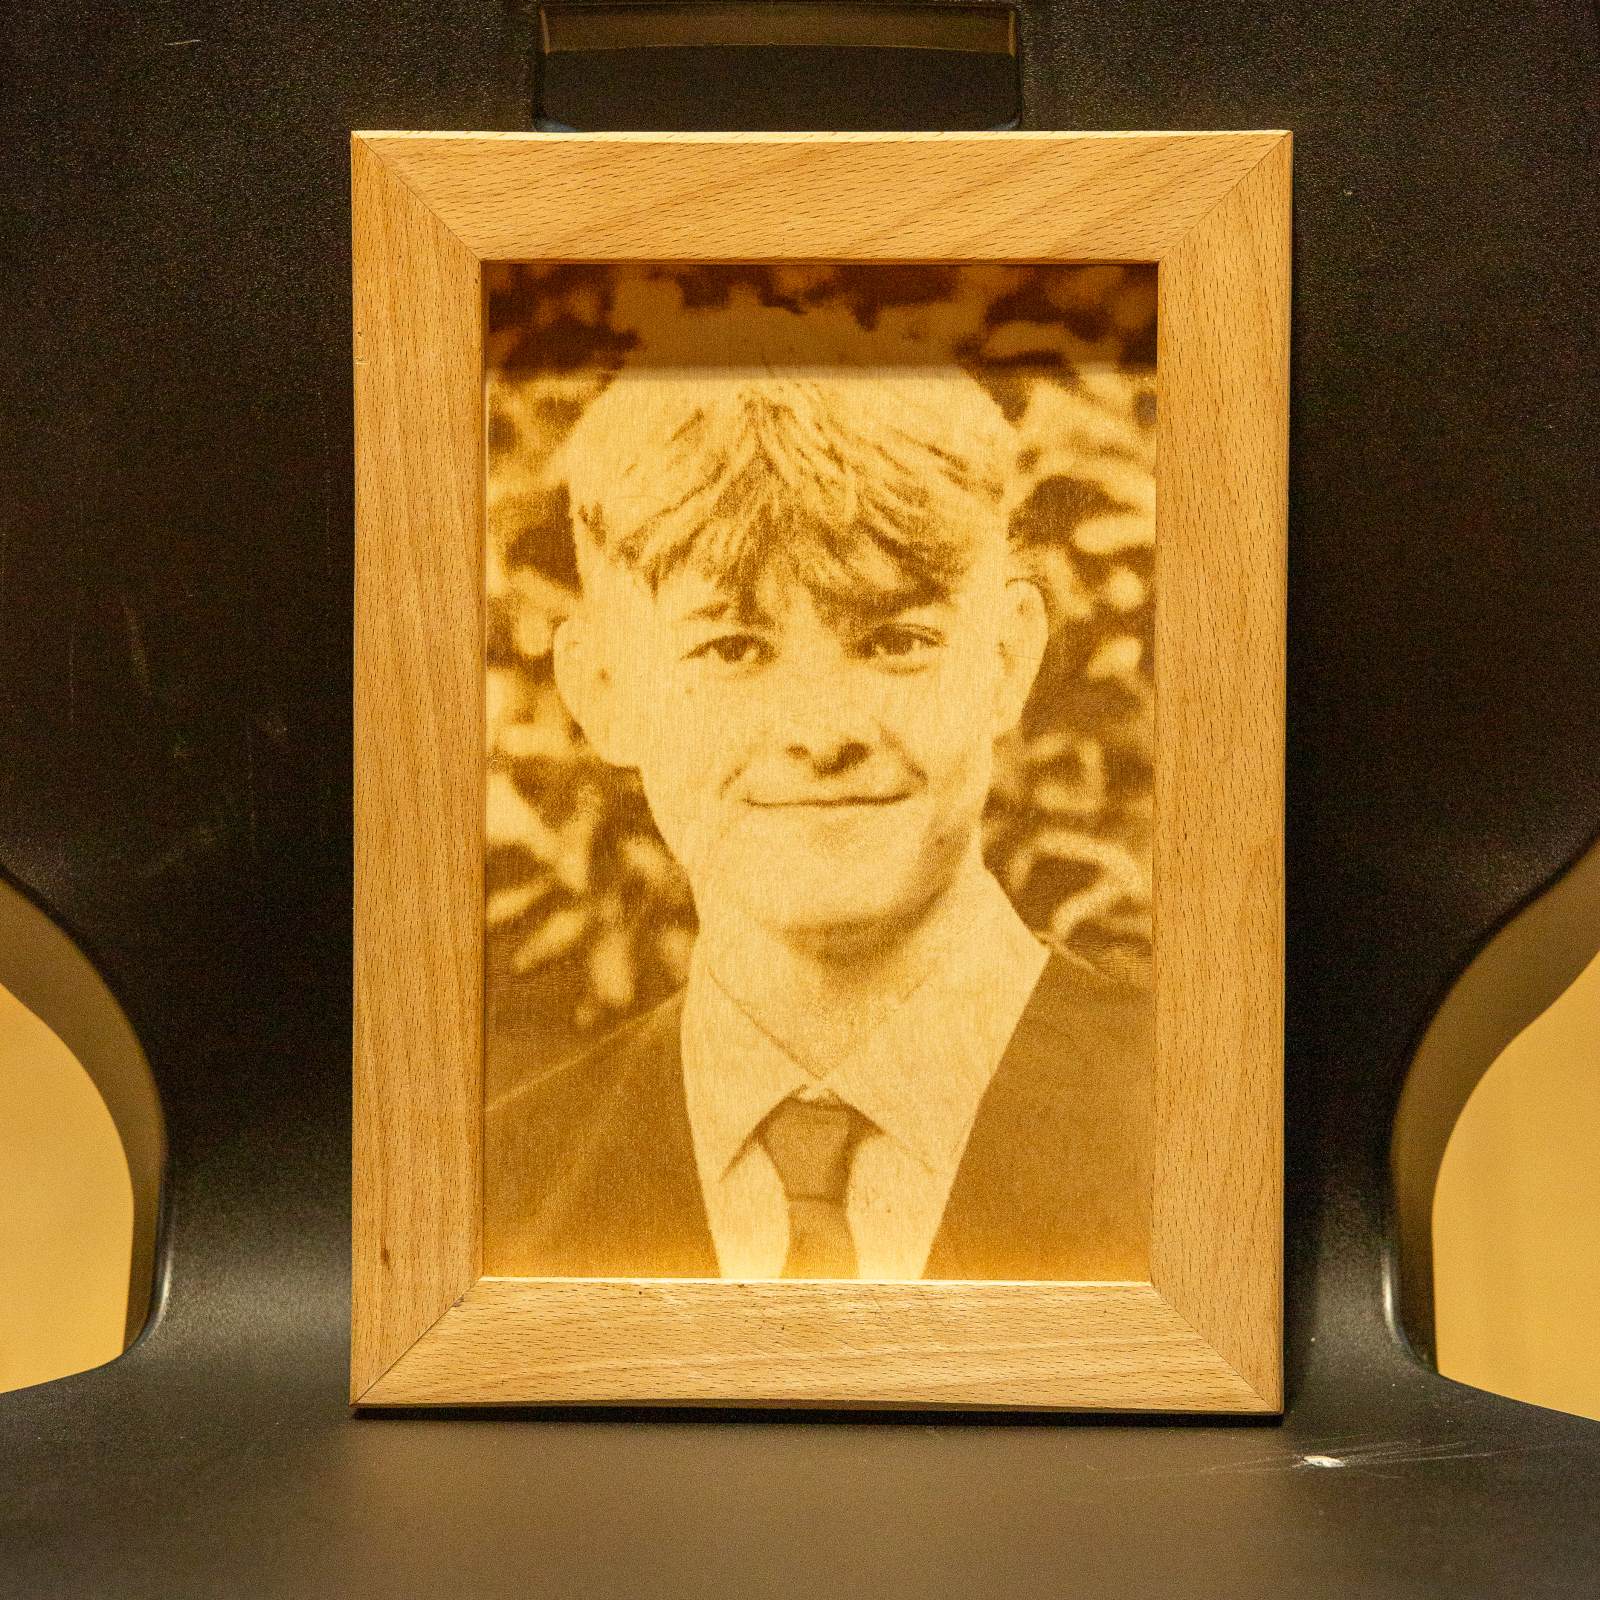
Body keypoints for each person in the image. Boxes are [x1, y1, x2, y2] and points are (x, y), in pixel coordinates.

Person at [486, 356, 1151, 1282]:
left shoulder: (1193, 1118)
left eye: (896, 640)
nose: (821, 731)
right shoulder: (498, 1195)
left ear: (1006, 660)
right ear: (602, 688)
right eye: (731, 647)